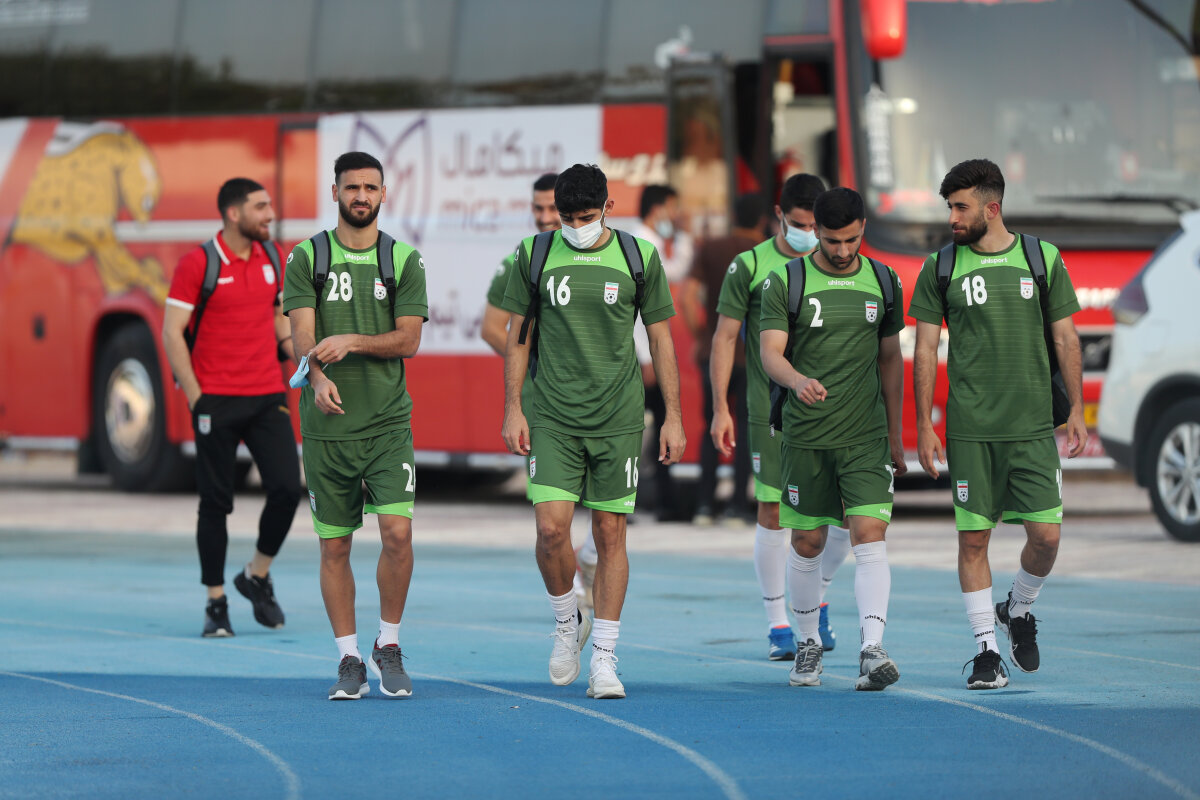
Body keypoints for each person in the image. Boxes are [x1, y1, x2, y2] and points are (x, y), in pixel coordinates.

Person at [501, 163, 685, 700]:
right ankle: (567, 621)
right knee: (551, 531)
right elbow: (518, 338)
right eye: (567, 218)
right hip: (553, 416)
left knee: (609, 534)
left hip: (618, 417)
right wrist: (513, 407)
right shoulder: (534, 254)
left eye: (586, 216)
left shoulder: (638, 256)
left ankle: (604, 657)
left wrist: (673, 415)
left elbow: (661, 340)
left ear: (607, 208)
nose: (576, 227)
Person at [909, 158, 1086, 690]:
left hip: (1031, 429)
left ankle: (1019, 607)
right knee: (973, 541)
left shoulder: (1041, 257)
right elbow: (924, 351)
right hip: (971, 431)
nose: (952, 218)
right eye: (949, 207)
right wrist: (924, 423)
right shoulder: (940, 267)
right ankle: (986, 651)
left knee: (1046, 538)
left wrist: (1076, 410)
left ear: (992, 207)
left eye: (960, 207)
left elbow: (1066, 339)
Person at [281, 151, 429, 700]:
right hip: (327, 430)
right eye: (351, 187)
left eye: (370, 187)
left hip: (388, 425)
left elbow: (409, 340)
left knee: (398, 534)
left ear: (384, 194)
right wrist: (316, 376)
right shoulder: (307, 256)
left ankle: (388, 644)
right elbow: (301, 334)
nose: (360, 196)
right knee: (334, 548)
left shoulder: (403, 260)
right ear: (335, 192)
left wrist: (353, 341)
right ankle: (348, 658)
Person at [761, 187, 906, 690]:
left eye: (851, 240)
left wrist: (896, 433)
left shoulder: (884, 280)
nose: (842, 251)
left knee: (870, 534)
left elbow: (890, 358)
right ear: (815, 232)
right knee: (807, 542)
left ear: (864, 228)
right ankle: (807, 643)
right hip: (806, 437)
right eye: (831, 240)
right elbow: (770, 353)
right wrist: (797, 380)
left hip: (865, 436)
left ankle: (872, 649)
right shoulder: (787, 280)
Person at [709, 173, 852, 661]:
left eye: (816, 225)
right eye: (799, 224)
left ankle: (817, 596)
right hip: (770, 413)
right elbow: (726, 337)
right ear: (779, 215)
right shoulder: (750, 265)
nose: (808, 233)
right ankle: (778, 624)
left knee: (846, 514)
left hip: (836, 411)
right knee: (773, 513)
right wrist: (720, 407)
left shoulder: (842, 264)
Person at [162, 177, 302, 639]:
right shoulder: (198, 263)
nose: (270, 214)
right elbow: (172, 332)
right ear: (233, 213)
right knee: (215, 503)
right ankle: (216, 601)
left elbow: (278, 314)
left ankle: (256, 574)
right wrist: (195, 395)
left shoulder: (272, 256)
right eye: (260, 207)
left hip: (266, 395)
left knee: (287, 488)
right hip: (215, 401)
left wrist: (298, 353)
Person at [480, 173, 601, 611]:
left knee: (605, 505)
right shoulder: (523, 258)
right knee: (553, 519)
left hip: (603, 401)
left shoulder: (608, 253)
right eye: (539, 208)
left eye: (554, 208)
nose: (546, 216)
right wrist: (536, 360)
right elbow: (492, 328)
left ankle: (590, 559)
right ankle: (570, 606)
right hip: (544, 404)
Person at [680, 194, 765, 525]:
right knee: (746, 427)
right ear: (762, 220)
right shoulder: (764, 252)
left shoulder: (712, 248)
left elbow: (687, 297)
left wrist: (703, 336)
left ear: (734, 216)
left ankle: (704, 504)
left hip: (715, 353)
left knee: (711, 425)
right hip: (752, 355)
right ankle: (738, 505)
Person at [633, 184, 694, 521]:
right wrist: (646, 358)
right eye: (672, 208)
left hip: (648, 355)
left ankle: (664, 501)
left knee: (659, 425)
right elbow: (633, 315)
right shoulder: (641, 246)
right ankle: (648, 500)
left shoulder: (648, 243)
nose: (676, 215)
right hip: (642, 358)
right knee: (638, 427)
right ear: (657, 209)